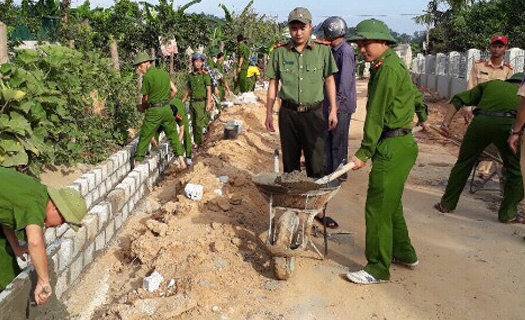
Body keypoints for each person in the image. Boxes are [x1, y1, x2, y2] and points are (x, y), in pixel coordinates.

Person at [345, 19, 428, 284]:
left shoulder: (387, 70)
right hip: (400, 144)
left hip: (391, 145)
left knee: (378, 206)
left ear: (383, 42)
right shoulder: (392, 64)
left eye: (366, 43)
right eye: (359, 44)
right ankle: (403, 252)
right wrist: (422, 115)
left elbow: (376, 115)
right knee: (390, 203)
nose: (362, 49)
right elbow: (415, 95)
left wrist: (364, 152)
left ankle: (378, 268)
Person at [435, 73, 524, 223]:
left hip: (480, 123)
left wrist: (445, 124)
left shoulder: (492, 84)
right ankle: (507, 214)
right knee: (515, 171)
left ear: (508, 80)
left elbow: (458, 99)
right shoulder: (522, 94)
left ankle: (446, 204)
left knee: (463, 163)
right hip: (508, 126)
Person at [265, 7, 338, 179]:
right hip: (288, 114)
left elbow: (329, 80)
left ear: (310, 27)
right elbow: (273, 83)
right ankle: (293, 201)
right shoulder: (279, 52)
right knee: (290, 163)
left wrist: (333, 109)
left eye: (302, 27)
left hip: (314, 114)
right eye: (294, 28)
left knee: (316, 161)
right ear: (289, 29)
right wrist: (268, 112)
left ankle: (315, 202)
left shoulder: (323, 51)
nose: (298, 33)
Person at [0, 167, 87, 304]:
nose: (59, 226)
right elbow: (35, 242)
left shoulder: (38, 192)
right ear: (56, 208)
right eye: (63, 221)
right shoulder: (35, 205)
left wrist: (16, 246)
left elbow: (6, 219)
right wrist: (43, 281)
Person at [318, 16, 357, 229]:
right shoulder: (334, 50)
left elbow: (344, 82)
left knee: (338, 140)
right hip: (331, 104)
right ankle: (329, 169)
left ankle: (339, 172)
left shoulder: (345, 52)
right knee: (327, 137)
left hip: (340, 106)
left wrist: (336, 107)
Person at [465, 36, 514, 177]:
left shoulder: (508, 70)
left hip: (497, 113)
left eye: (500, 46)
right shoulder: (479, 66)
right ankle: (472, 164)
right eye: (494, 46)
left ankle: (483, 170)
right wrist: (467, 108)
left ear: (505, 49)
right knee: (475, 141)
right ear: (489, 47)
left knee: (493, 143)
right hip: (478, 111)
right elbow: (471, 87)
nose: (496, 49)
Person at [134, 52, 186, 168]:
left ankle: (137, 163)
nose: (139, 68)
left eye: (139, 65)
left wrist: (143, 107)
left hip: (154, 111)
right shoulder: (163, 73)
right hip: (166, 109)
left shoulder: (148, 77)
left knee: (145, 136)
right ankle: (182, 161)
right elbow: (174, 90)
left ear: (146, 63)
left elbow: (145, 97)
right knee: (173, 135)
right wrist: (166, 101)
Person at [151, 98, 193, 166]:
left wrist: (177, 143)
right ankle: (154, 150)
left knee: (186, 133)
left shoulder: (179, 115)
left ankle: (188, 156)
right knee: (157, 130)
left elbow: (182, 130)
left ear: (174, 117)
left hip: (180, 107)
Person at [182, 53, 212, 147]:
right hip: (193, 102)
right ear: (193, 63)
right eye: (196, 61)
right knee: (194, 124)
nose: (198, 64)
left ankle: (200, 143)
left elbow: (208, 90)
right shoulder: (190, 76)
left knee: (199, 124)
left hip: (201, 102)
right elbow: (189, 90)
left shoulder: (205, 75)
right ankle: (196, 142)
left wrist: (208, 103)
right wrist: (182, 100)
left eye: (200, 62)